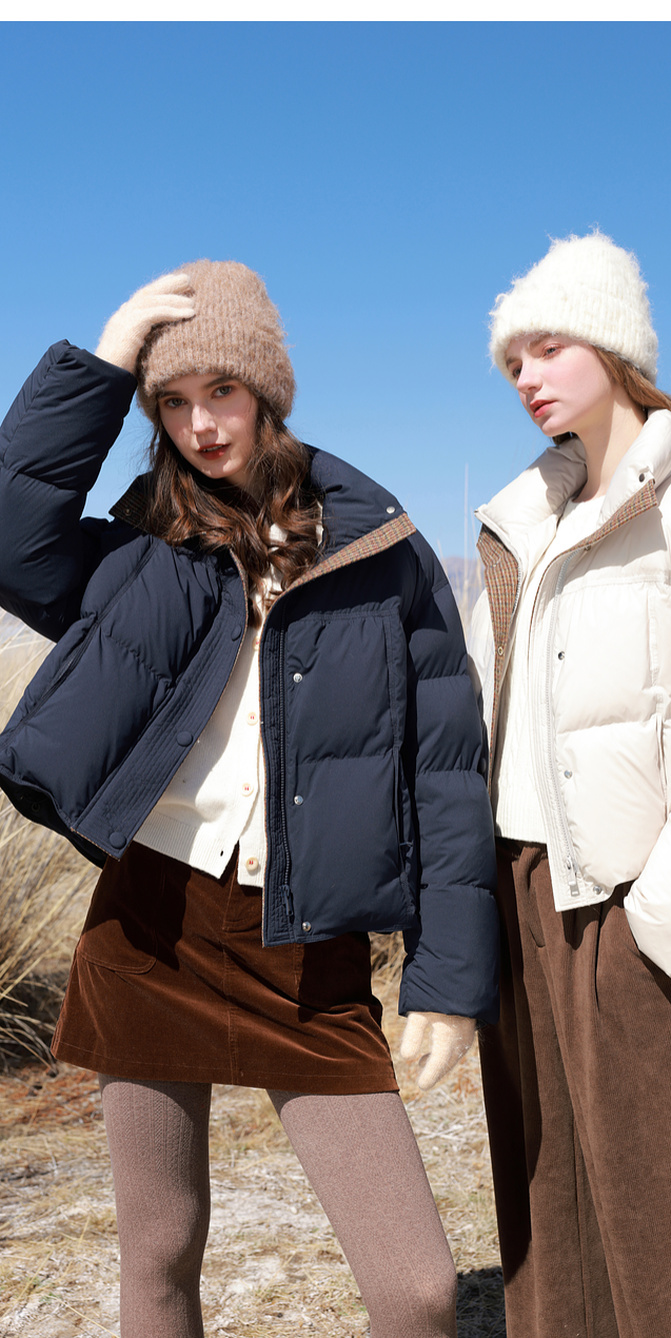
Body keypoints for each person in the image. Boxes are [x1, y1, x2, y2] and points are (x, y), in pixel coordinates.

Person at [0, 260, 499, 1338]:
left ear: (267, 391)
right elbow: (11, 533)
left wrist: (448, 983)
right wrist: (104, 358)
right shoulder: (146, 545)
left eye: (220, 391)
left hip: (307, 952)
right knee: (160, 1250)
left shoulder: (384, 555)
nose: (199, 426)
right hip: (150, 928)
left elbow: (447, 777)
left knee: (416, 1290)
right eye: (172, 403)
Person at [468, 230, 671, 1338]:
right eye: (513, 360)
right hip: (518, 893)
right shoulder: (524, 526)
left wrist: (656, 925)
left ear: (615, 350)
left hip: (625, 904)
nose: (527, 377)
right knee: (547, 1207)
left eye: (549, 348)